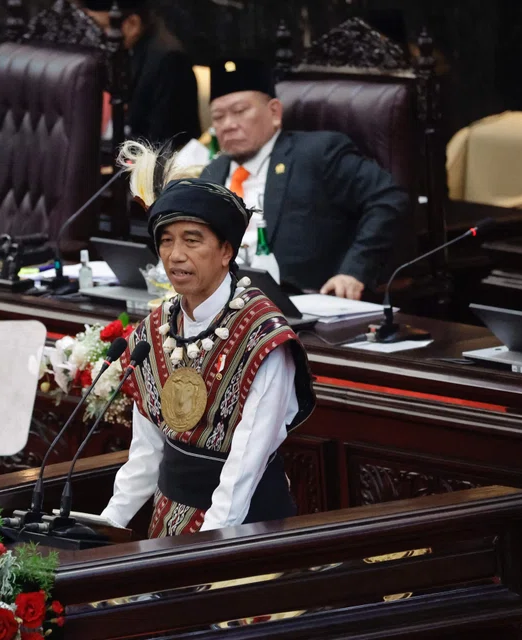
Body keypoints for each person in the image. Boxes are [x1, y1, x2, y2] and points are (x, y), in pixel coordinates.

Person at [100, 141, 315, 538]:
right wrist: (106, 526)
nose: (175, 255)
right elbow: (146, 453)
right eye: (166, 240)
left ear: (226, 251)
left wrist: (206, 551)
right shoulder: (154, 328)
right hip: (167, 524)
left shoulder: (262, 335)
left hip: (245, 530)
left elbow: (245, 465)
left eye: (192, 240)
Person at [200, 58, 408, 300]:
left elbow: (388, 198)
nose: (228, 125)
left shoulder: (317, 153)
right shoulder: (212, 172)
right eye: (218, 117)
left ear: (274, 112)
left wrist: (354, 272)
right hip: (224, 305)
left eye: (240, 111)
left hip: (303, 303)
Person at [80, 0, 200, 149]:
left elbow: (162, 143)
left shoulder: (169, 61)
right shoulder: (125, 49)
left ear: (132, 24)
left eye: (99, 28)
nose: (92, 37)